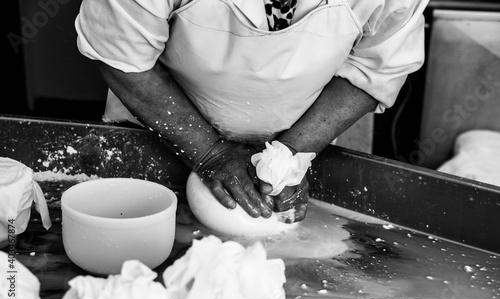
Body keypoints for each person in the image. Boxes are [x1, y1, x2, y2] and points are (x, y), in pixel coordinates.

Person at [75, 0, 429, 222]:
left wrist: (290, 156)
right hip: (157, 131)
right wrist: (208, 152)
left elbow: (379, 65)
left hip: (302, 138)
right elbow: (121, 55)